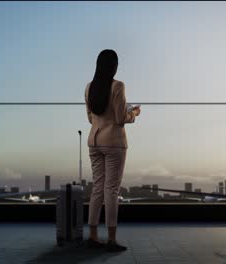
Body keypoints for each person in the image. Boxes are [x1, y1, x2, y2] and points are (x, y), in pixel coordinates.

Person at [84, 49, 140, 252]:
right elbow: (119, 118)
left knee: (97, 188)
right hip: (113, 143)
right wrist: (133, 113)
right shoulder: (118, 86)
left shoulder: (89, 87)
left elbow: (90, 117)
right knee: (112, 191)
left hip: (94, 141)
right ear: (114, 66)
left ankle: (92, 236)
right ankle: (112, 240)